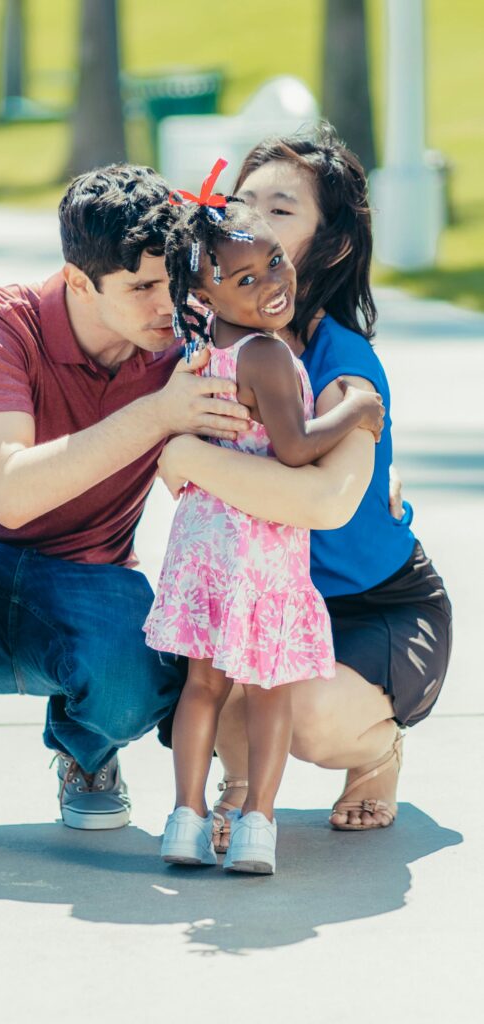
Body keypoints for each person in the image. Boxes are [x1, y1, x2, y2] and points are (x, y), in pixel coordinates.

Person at [0, 162, 383, 865]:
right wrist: (156, 416)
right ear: (78, 281)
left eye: (172, 285)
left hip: (90, 585)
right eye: (139, 289)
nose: (166, 307)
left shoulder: (187, 345)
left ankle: (86, 752)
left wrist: (374, 461)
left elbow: (273, 423)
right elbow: (9, 493)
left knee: (156, 662)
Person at [154, 128, 452, 847]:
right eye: (242, 203)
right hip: (256, 583)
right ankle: (232, 790)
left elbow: (320, 500)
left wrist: (187, 450)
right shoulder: (207, 349)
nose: (253, 222)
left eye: (280, 210)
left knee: (305, 709)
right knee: (208, 674)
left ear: (328, 244)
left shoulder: (342, 361)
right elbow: (174, 481)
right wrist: (182, 452)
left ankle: (375, 753)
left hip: (370, 603)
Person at [143, 161, 384, 873]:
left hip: (202, 542)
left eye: (274, 261)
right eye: (245, 279)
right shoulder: (268, 356)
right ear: (204, 292)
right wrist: (354, 412)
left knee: (203, 687)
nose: (272, 282)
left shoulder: (201, 351)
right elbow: (293, 448)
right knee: (269, 688)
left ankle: (184, 820)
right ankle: (256, 824)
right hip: (260, 544)